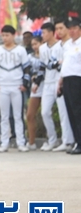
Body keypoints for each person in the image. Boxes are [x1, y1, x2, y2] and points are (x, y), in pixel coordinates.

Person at [0, 25, 31, 152]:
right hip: (2, 86)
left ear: (13, 35)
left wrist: (25, 83)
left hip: (17, 86)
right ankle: (4, 143)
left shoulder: (21, 50)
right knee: (4, 116)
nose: (5, 38)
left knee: (18, 115)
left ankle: (21, 142)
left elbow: (27, 68)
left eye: (7, 35)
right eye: (3, 35)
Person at [40, 22, 72, 151]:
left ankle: (67, 140)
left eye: (61, 28)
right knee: (45, 112)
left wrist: (58, 64)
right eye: (57, 28)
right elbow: (48, 64)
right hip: (48, 82)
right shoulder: (49, 47)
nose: (59, 31)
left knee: (63, 112)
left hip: (60, 80)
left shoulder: (67, 45)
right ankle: (52, 139)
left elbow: (62, 64)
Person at [57, 17, 81, 155]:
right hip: (67, 79)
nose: (72, 31)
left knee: (78, 112)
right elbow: (65, 64)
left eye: (75, 28)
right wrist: (60, 82)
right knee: (71, 112)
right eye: (70, 28)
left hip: (78, 80)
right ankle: (77, 141)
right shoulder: (68, 45)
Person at [25, 35, 45, 150]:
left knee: (46, 114)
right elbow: (27, 69)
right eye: (32, 45)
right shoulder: (30, 57)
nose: (34, 47)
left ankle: (51, 139)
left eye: (36, 44)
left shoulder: (46, 54)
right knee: (30, 115)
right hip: (35, 87)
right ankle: (31, 142)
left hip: (46, 84)